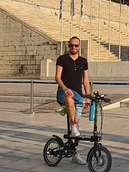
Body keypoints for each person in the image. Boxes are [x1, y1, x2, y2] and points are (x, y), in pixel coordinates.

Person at [56, 36, 90, 165]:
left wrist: (87, 96)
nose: (73, 47)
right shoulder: (62, 59)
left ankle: (75, 153)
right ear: (68, 46)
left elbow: (85, 80)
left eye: (76, 45)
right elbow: (57, 77)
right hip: (63, 93)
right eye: (71, 45)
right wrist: (64, 89)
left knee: (74, 125)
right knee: (69, 99)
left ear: (79, 46)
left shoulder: (83, 61)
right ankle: (74, 127)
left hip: (78, 96)